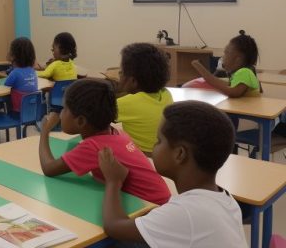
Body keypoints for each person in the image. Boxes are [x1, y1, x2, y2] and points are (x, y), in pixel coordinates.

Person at [99, 101, 247, 247]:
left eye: (159, 141)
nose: (154, 146)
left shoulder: (185, 213)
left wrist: (114, 181)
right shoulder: (225, 199)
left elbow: (114, 226)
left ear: (179, 154)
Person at [38, 79, 171, 205]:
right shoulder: (117, 133)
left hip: (151, 207)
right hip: (163, 200)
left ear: (81, 121)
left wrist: (45, 130)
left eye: (64, 108)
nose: (61, 114)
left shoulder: (93, 146)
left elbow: (49, 169)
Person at [116, 43, 173, 155]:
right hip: (162, 155)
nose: (119, 74)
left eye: (121, 71)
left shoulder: (126, 103)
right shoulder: (166, 94)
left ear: (133, 81)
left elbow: (92, 117)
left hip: (138, 156)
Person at [191, 30, 261, 98]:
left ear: (238, 59)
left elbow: (233, 92)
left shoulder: (245, 72)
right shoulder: (239, 74)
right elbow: (222, 83)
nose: (223, 57)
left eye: (226, 53)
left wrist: (199, 66)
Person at [0, 37, 39, 113]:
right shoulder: (32, 71)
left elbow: (5, 85)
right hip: (31, 111)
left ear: (13, 55)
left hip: (17, 111)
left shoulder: (15, 73)